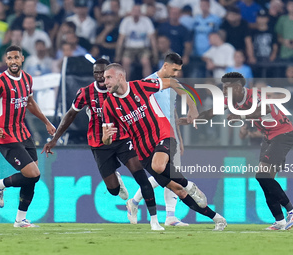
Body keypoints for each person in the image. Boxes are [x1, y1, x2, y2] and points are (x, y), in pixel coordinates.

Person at [102, 63, 227, 231]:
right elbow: (106, 139)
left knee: (159, 166)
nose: (105, 82)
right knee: (179, 191)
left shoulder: (141, 86)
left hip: (163, 135)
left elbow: (172, 82)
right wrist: (106, 137)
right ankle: (217, 218)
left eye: (108, 77)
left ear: (120, 76)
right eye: (104, 79)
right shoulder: (108, 105)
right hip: (143, 151)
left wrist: (191, 105)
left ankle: (190, 185)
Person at [41, 58, 163, 231]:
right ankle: (117, 179)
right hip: (99, 144)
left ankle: (154, 221)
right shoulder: (85, 92)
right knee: (113, 190)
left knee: (141, 177)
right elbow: (70, 114)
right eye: (96, 73)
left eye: (103, 73)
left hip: (123, 139)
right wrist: (54, 139)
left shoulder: (118, 89)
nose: (100, 77)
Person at [195, 72, 293, 230]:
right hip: (269, 137)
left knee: (262, 175)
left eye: (227, 88)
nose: (224, 91)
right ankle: (280, 221)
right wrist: (194, 118)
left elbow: (263, 109)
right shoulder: (230, 100)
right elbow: (211, 113)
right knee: (264, 179)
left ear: (238, 88)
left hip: (282, 134)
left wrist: (241, 116)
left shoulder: (256, 95)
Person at [0, 45, 56, 228]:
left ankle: (20, 220)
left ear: (22, 59)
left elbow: (30, 102)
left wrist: (46, 121)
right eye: (9, 58)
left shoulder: (28, 79)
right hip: (5, 135)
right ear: (6, 61)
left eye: (16, 58)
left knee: (33, 177)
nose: (13, 61)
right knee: (33, 174)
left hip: (22, 132)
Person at [126, 53, 189, 227]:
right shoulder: (148, 83)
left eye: (179, 70)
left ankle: (170, 216)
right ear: (166, 65)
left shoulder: (171, 85)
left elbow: (172, 112)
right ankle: (135, 201)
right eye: (175, 69)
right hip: (155, 135)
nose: (176, 73)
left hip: (170, 135)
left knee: (170, 174)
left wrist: (179, 138)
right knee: (164, 173)